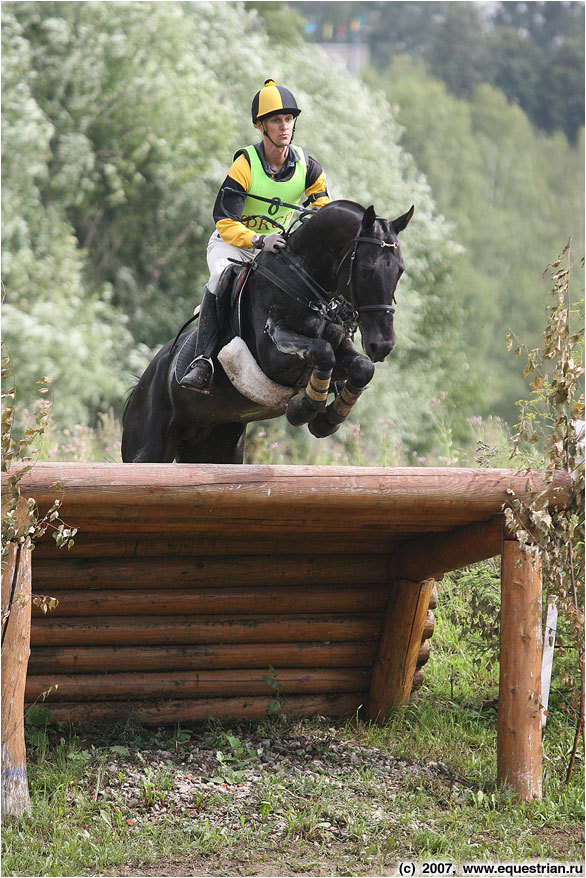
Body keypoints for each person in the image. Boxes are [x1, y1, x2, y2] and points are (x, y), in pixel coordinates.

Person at [180, 78, 331, 393]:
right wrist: (260, 240)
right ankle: (202, 361)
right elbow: (224, 221)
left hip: (275, 252)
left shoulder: (309, 168)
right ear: (261, 126)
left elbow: (322, 213)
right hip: (233, 247)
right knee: (220, 279)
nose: (284, 126)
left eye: (288, 119)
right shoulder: (245, 164)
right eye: (276, 120)